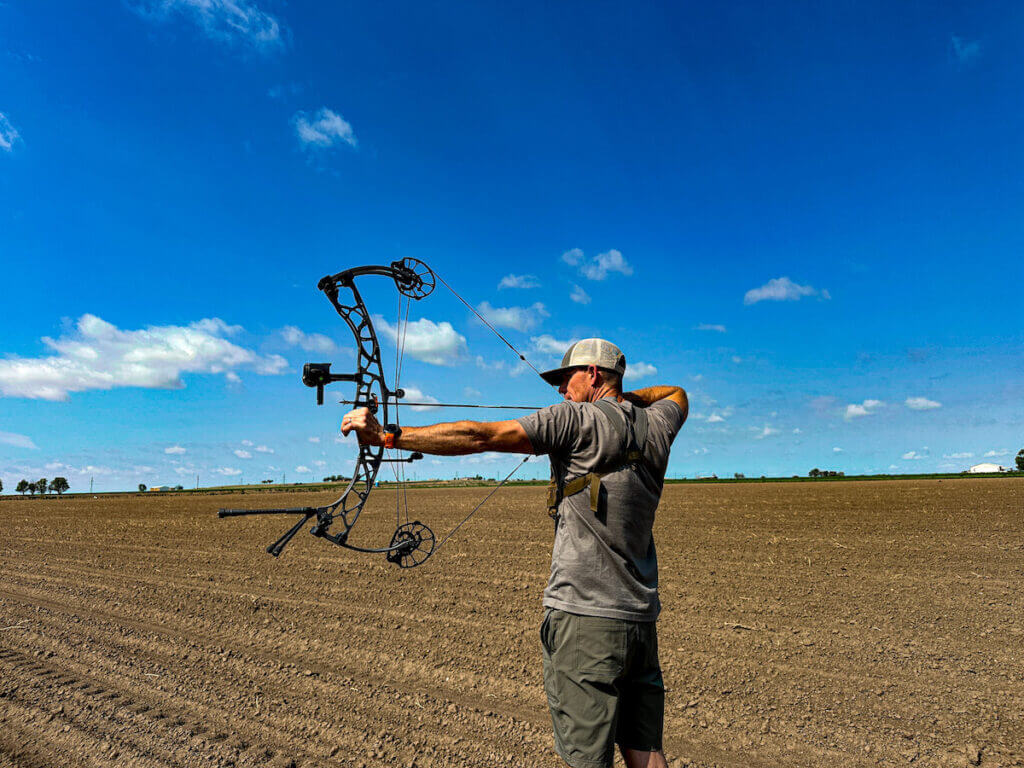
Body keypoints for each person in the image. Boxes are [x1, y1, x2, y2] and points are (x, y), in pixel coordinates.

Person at [341, 338, 688, 768]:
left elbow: (480, 436)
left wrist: (389, 436)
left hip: (585, 621)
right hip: (639, 620)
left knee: (586, 761)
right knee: (647, 754)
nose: (562, 391)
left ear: (593, 374)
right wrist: (624, 401)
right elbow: (677, 394)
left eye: (566, 379)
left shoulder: (575, 420)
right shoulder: (658, 425)